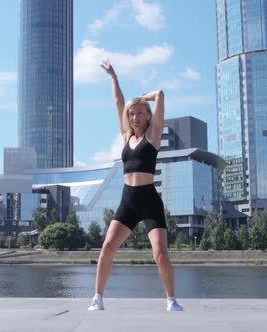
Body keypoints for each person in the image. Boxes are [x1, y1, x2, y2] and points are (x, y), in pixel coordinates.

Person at [88, 60, 183, 312]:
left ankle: (171, 300)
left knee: (160, 255)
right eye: (132, 113)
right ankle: (98, 298)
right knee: (107, 247)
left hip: (149, 200)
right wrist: (114, 77)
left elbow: (160, 94)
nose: (135, 116)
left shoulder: (153, 135)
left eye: (140, 112)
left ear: (148, 115)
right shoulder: (125, 136)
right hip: (128, 200)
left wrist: (143, 97)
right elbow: (118, 101)